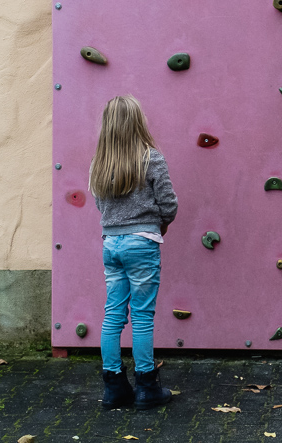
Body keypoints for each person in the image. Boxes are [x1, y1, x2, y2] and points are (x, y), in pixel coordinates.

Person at [89, 95, 177, 410]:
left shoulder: (99, 164)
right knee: (141, 316)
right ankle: (146, 387)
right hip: (141, 243)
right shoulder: (151, 158)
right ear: (138, 122)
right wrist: (160, 224)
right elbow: (169, 204)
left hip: (110, 244)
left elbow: (100, 206)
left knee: (113, 314)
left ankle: (113, 388)